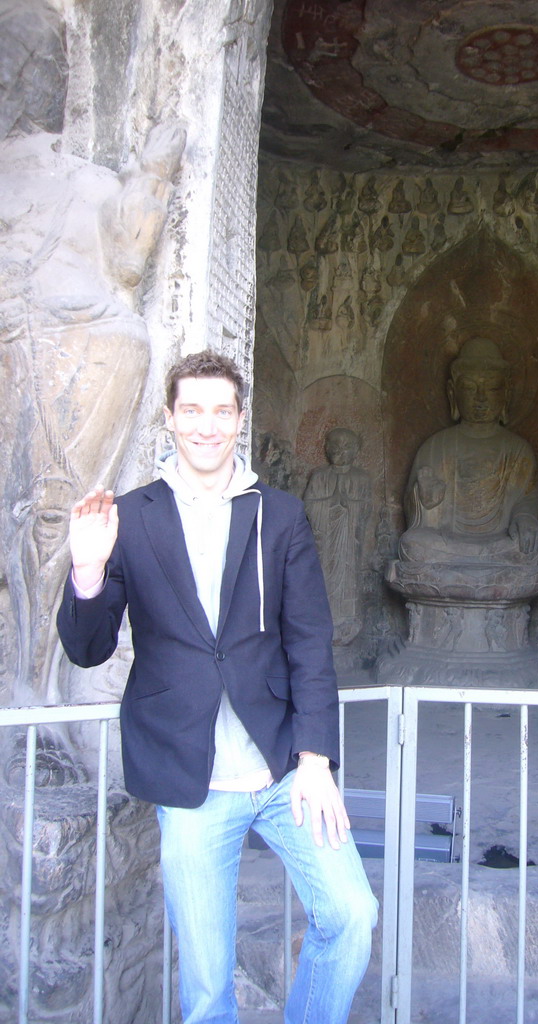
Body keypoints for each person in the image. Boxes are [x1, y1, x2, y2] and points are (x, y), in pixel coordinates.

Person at [56, 350, 377, 1024]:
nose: (207, 425)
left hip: (285, 767)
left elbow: (309, 643)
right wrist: (87, 571)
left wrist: (316, 759)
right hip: (190, 779)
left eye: (222, 411)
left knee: (350, 915)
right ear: (169, 419)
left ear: (239, 420)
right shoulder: (133, 517)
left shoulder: (279, 516)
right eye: (192, 410)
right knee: (207, 986)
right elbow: (87, 649)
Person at [398, 337, 538, 564]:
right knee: (412, 544)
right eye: (469, 388)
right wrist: (426, 502)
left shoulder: (517, 449)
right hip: (447, 544)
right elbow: (419, 521)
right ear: (452, 393)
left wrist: (525, 520)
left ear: (506, 393)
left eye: (492, 387)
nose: (481, 398)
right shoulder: (436, 446)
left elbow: (526, 499)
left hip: (499, 546)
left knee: (529, 549)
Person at [304, 428, 371, 645]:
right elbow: (309, 506)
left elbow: (366, 508)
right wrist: (332, 503)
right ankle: (320, 619)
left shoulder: (361, 478)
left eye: (346, 447)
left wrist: (348, 506)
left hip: (349, 543)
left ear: (356, 450)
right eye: (335, 446)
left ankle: (348, 621)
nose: (340, 451)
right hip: (325, 543)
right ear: (326, 448)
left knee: (349, 576)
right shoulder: (320, 476)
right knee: (322, 575)